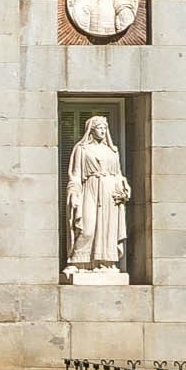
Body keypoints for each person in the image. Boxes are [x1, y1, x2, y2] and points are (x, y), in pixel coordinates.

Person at [63, 114, 130, 277]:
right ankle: (77, 262)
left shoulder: (112, 151)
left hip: (110, 193)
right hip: (90, 190)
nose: (103, 130)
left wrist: (124, 189)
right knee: (87, 227)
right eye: (99, 127)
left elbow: (118, 174)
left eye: (105, 128)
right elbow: (75, 174)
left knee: (108, 228)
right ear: (91, 130)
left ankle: (105, 262)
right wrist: (73, 191)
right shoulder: (82, 149)